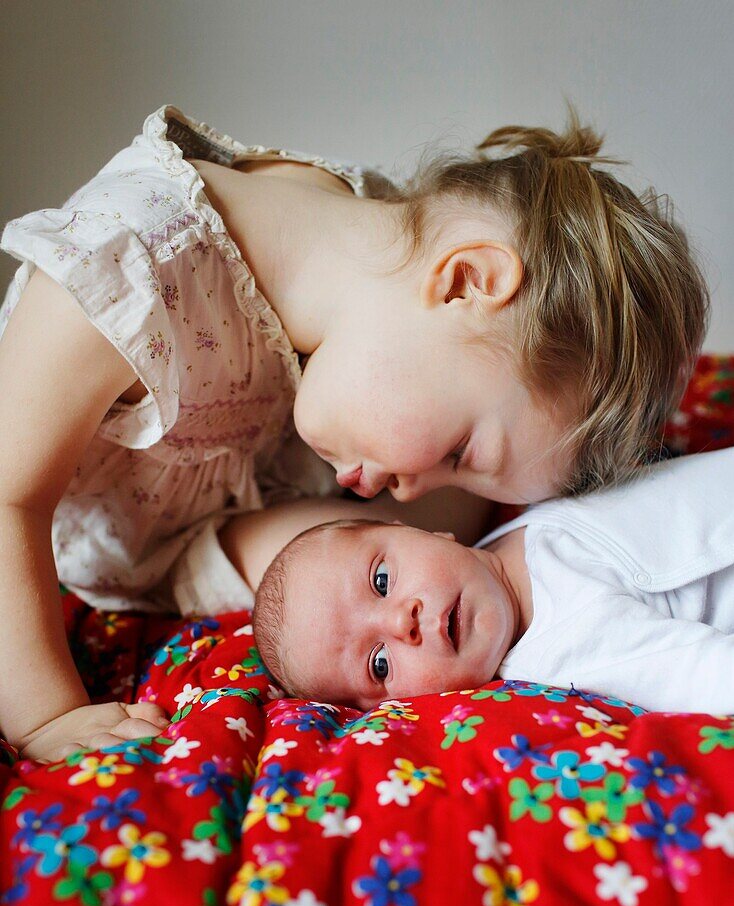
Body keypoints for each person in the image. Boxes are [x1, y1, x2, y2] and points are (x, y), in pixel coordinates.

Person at [0, 105, 708, 761]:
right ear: (463, 281)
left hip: (234, 503)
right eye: (460, 453)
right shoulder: (126, 265)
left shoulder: (370, 276)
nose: (421, 489)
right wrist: (46, 718)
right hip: (135, 541)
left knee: (408, 559)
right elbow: (8, 499)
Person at [252, 448, 734, 714]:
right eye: (379, 665)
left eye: (382, 580)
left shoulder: (516, 507)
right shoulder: (562, 648)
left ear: (421, 531)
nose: (404, 622)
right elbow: (702, 673)